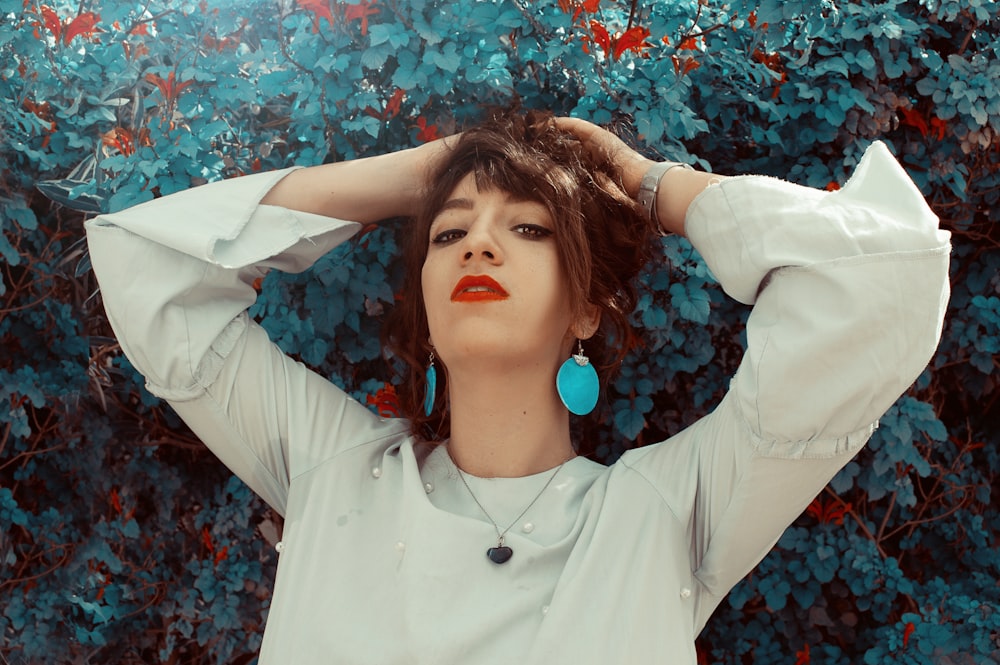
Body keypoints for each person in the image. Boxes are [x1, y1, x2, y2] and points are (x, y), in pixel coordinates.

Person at [85, 111, 951, 664]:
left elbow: (883, 280)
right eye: (450, 231)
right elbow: (144, 263)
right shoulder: (334, 468)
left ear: (585, 309)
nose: (477, 246)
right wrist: (417, 175)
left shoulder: (664, 513)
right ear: (424, 307)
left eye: (526, 227)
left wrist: (649, 183)